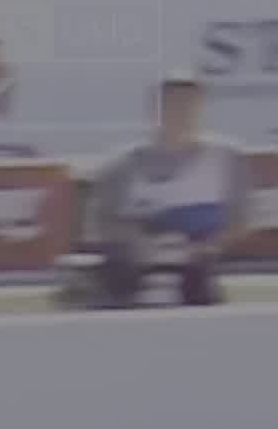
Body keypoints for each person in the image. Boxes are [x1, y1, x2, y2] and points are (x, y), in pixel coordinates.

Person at [77, 72, 247, 309]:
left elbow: (241, 221)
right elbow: (99, 224)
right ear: (154, 109)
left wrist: (204, 248)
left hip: (196, 274)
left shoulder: (227, 159)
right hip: (130, 274)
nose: (181, 113)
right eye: (172, 105)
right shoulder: (122, 164)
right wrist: (138, 241)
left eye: (189, 105)